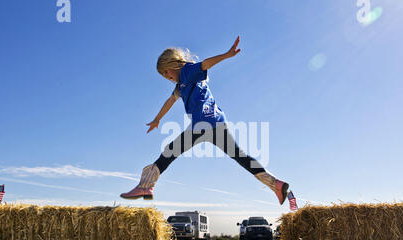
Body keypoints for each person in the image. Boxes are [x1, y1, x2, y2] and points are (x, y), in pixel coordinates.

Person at [120, 36, 296, 208]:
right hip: (217, 123)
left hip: (203, 123)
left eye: (167, 72)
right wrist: (157, 119)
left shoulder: (187, 71)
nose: (167, 77)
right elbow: (170, 101)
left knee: (170, 151)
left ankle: (145, 187)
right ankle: (277, 185)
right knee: (240, 156)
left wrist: (226, 55)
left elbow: (205, 64)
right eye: (164, 76)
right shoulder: (181, 84)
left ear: (173, 64)